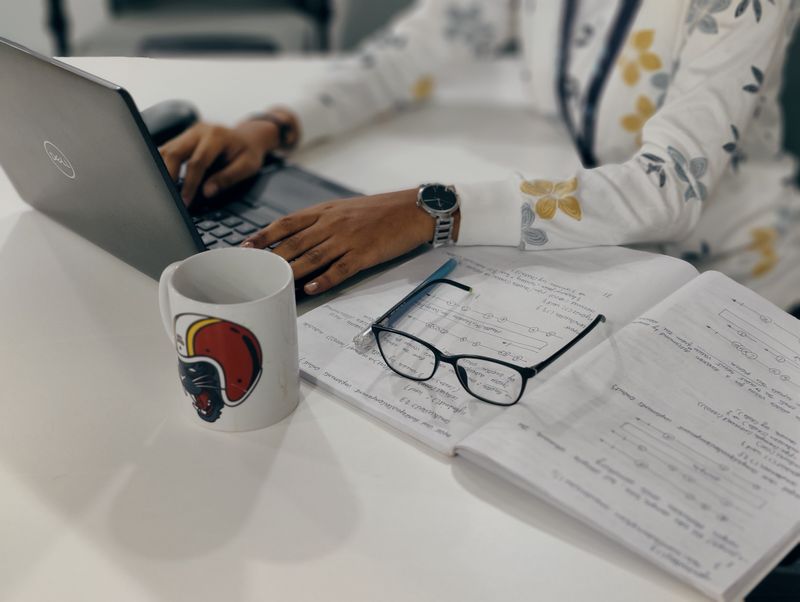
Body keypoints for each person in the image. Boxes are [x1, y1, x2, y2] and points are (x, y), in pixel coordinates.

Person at [159, 0, 800, 312]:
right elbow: (408, 53)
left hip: (727, 278)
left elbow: (668, 191)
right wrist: (274, 126)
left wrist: (433, 209)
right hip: (595, 252)